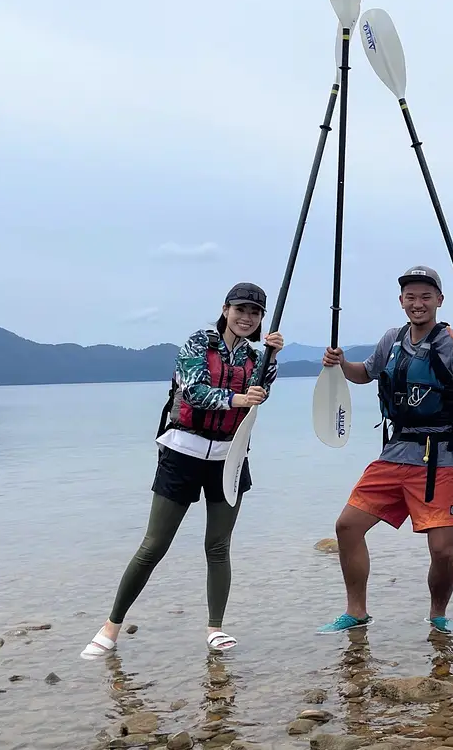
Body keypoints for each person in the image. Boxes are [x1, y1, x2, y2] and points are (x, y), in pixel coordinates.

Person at [80, 282, 284, 659]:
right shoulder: (197, 343)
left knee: (218, 546)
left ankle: (216, 628)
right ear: (225, 309)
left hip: (230, 456)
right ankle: (111, 625)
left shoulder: (257, 358)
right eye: (240, 309)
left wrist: (271, 358)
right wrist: (238, 397)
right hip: (183, 451)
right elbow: (193, 391)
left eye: (254, 313)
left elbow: (262, 390)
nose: (246, 317)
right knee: (154, 545)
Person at [315, 265, 453, 636]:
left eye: (425, 296)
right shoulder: (391, 340)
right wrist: (340, 363)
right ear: (401, 302)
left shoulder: (451, 341)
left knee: (442, 549)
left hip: (441, 455)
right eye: (411, 297)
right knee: (347, 526)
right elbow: (364, 373)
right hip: (396, 450)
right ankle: (356, 611)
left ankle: (438, 615)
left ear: (439, 301)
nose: (418, 303)